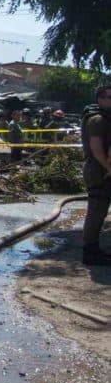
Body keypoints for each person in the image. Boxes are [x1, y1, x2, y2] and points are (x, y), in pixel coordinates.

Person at [80, 86, 111, 265]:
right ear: (101, 99)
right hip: (98, 171)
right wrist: (108, 168)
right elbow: (96, 148)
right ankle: (90, 252)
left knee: (100, 210)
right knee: (97, 212)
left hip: (104, 169)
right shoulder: (97, 119)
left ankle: (95, 249)